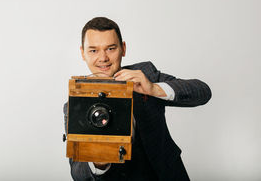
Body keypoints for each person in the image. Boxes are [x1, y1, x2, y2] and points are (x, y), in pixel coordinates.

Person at [64, 17, 211, 181]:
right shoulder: (76, 102)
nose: (103, 58)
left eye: (111, 48)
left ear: (123, 48)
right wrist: (98, 164)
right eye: (93, 50)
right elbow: (78, 173)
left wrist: (154, 88)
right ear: (82, 53)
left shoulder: (145, 75)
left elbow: (203, 92)